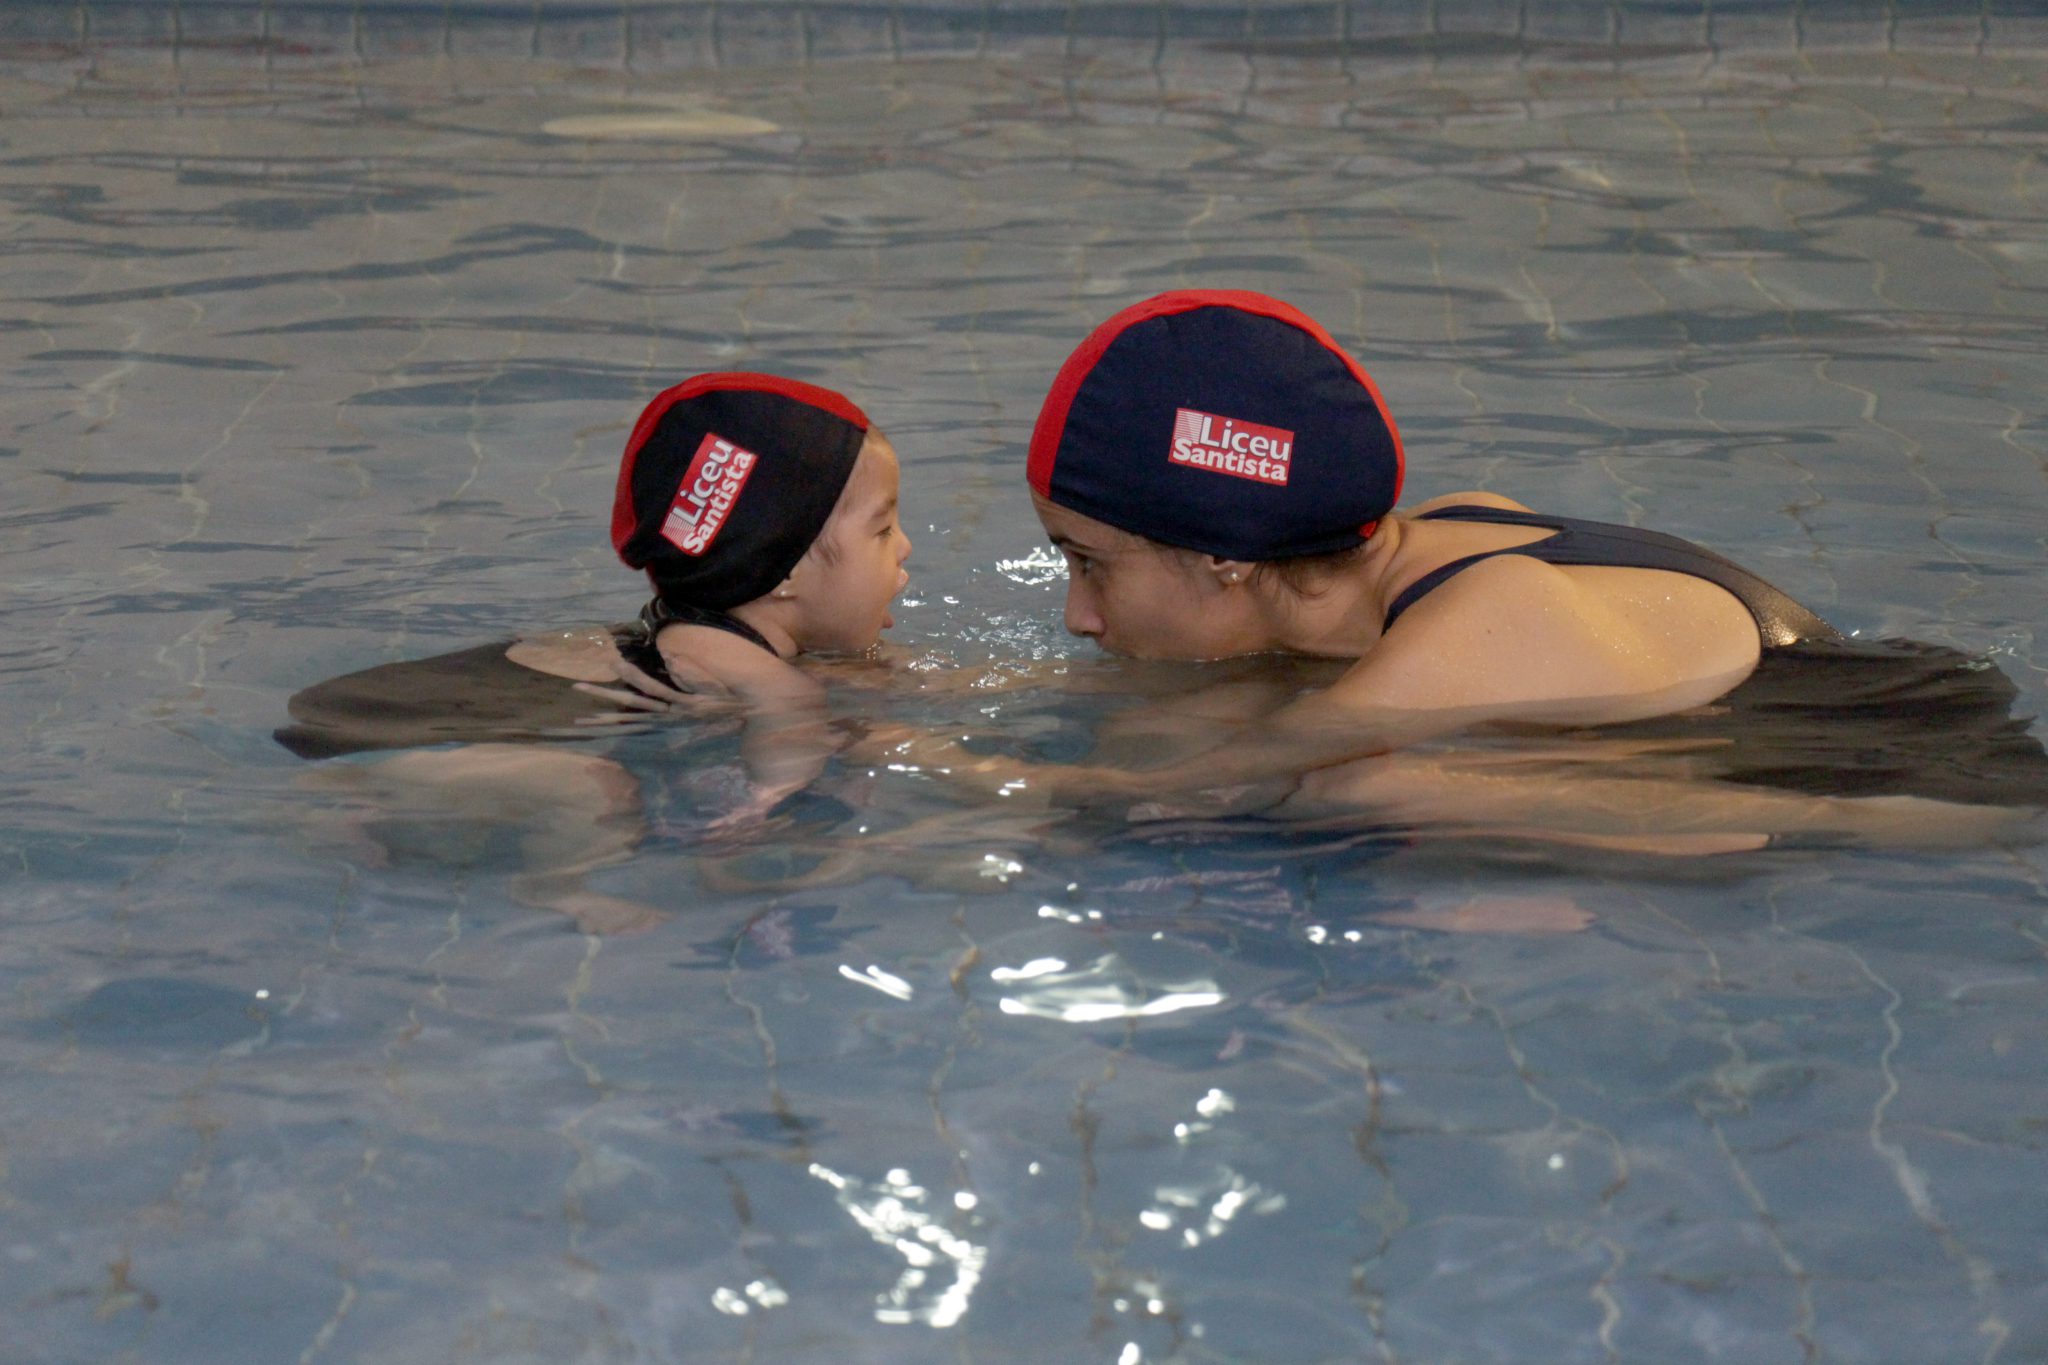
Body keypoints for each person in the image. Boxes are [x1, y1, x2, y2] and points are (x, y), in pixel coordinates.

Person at [881, 289, 2047, 848]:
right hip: (1863, 698)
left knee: (1345, 793)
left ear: (1227, 558)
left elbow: (1172, 789)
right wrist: (900, 682)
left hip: (1929, 788)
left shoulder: (1475, 625)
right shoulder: (1416, 544)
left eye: (1089, 564)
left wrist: (911, 768)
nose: (1078, 615)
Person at [279, 372, 914, 927]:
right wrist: (762, 809)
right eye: (883, 529)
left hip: (395, 715)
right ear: (785, 571)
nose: (905, 546)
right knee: (594, 789)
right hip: (415, 749)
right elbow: (794, 731)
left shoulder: (699, 632)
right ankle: (553, 889)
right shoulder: (749, 665)